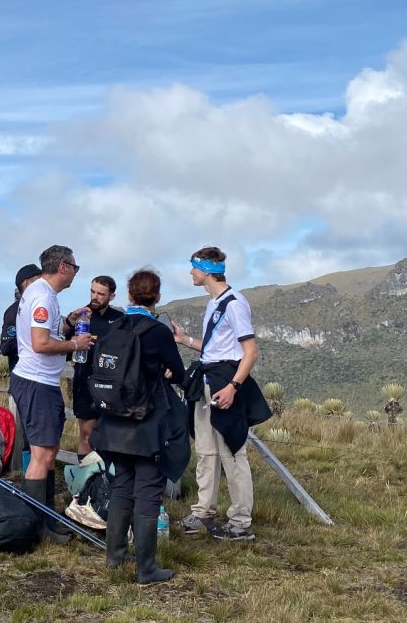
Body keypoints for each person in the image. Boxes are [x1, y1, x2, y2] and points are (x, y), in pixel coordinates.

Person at [89, 268, 188, 584]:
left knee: (122, 487)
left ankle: (114, 557)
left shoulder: (115, 326)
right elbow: (178, 371)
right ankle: (146, 569)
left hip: (114, 422)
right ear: (157, 297)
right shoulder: (157, 332)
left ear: (129, 296)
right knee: (147, 492)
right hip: (146, 426)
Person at [173, 247, 272, 542]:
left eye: (193, 267)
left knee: (232, 451)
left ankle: (240, 521)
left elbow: (250, 352)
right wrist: (185, 340)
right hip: (206, 380)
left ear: (205, 269)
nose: (191, 272)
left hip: (224, 382)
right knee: (206, 451)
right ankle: (203, 511)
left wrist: (233, 387)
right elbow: (215, 346)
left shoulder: (234, 304)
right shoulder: (213, 303)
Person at [10, 245, 92, 542]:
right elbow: (41, 343)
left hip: (40, 382)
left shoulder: (43, 294)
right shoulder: (43, 295)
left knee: (46, 452)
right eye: (75, 266)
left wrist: (68, 323)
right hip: (37, 383)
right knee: (42, 455)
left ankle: (45, 518)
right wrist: (75, 345)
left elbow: (47, 332)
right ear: (63, 267)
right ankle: (36, 526)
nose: (75, 272)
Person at [65, 275, 123, 459]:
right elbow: (66, 349)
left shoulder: (120, 319)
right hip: (85, 382)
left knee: (111, 437)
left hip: (111, 386)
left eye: (101, 294)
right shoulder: (80, 316)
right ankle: (87, 485)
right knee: (87, 436)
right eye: (92, 291)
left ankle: (109, 484)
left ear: (112, 296)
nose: (95, 297)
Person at [0, 263, 41, 372]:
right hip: (22, 378)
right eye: (38, 281)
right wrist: (34, 340)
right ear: (26, 283)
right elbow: (6, 347)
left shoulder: (42, 307)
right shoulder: (12, 312)